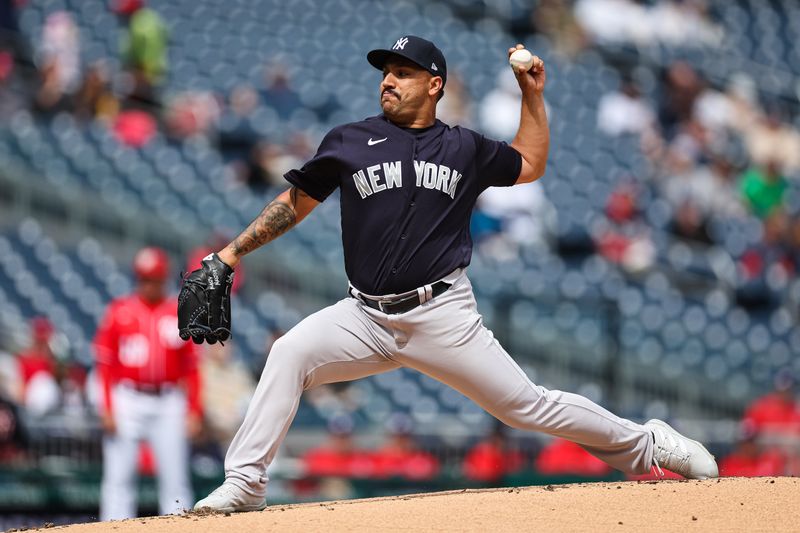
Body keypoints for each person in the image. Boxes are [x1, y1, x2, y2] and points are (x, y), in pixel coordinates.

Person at [189, 36, 718, 513]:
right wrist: (231, 254)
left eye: (402, 71)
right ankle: (246, 482)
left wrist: (531, 96)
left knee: (525, 407)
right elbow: (296, 201)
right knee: (289, 353)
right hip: (363, 314)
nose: (388, 80)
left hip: (442, 312)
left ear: (434, 84)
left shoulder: (464, 148)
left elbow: (529, 163)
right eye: (385, 72)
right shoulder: (350, 140)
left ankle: (647, 444)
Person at [94, 247, 201, 520]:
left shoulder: (178, 312)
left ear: (164, 279)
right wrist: (106, 407)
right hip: (127, 398)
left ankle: (179, 526)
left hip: (168, 400)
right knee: (119, 478)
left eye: (153, 278)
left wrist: (194, 409)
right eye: (143, 278)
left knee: (175, 479)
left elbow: (192, 369)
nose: (147, 284)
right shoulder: (119, 311)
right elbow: (104, 366)